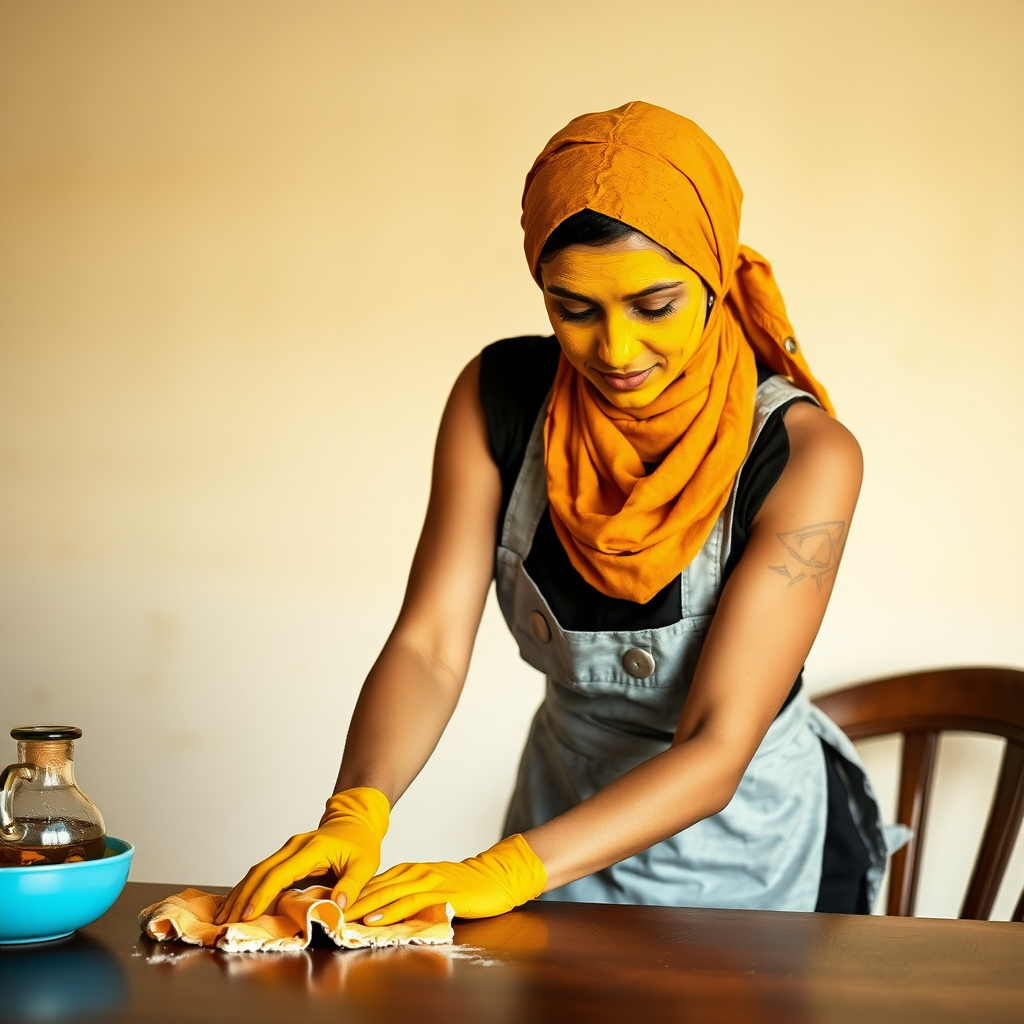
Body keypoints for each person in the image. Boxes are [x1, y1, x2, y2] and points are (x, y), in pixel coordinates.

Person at [216, 101, 890, 929]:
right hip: (557, 816)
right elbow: (428, 647)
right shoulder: (498, 398)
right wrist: (358, 807)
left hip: (737, 857)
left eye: (655, 305)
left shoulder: (808, 457)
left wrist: (508, 868)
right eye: (575, 308)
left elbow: (716, 746)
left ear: (714, 276)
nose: (615, 350)